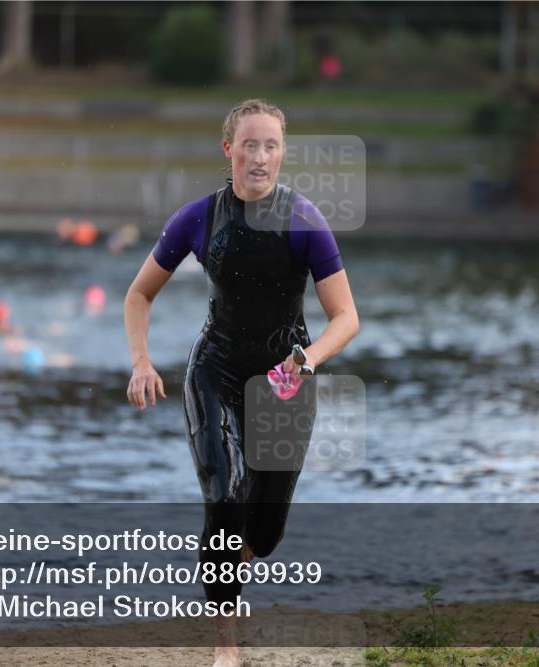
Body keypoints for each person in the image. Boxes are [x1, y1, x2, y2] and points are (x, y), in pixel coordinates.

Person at [124, 99, 359, 667]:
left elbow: (346, 318)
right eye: (249, 145)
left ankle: (220, 570)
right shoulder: (198, 219)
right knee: (224, 498)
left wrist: (306, 361)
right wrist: (141, 361)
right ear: (229, 149)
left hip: (285, 379)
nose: (259, 156)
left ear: (282, 152)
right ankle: (226, 648)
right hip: (217, 371)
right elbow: (139, 294)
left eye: (271, 145)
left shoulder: (304, 220)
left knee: (266, 531)